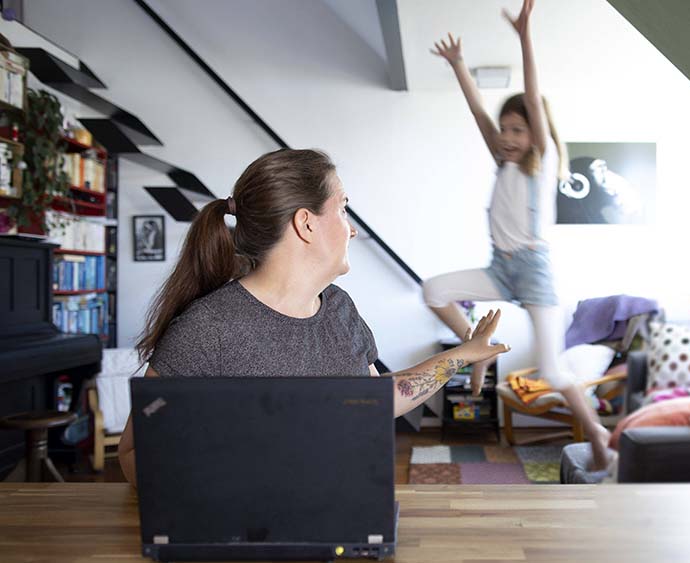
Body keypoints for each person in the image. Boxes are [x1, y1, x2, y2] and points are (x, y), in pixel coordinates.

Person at [117, 148, 510, 487]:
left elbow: (378, 398)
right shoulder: (208, 329)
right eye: (342, 209)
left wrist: (464, 354)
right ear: (306, 223)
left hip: (342, 515)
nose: (352, 230)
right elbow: (134, 455)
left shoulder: (338, 308)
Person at [423, 0, 612, 469]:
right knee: (434, 289)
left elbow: (531, 96)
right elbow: (477, 115)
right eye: (504, 129)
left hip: (534, 272)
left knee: (551, 369)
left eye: (517, 130)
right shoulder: (502, 161)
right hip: (499, 268)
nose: (507, 137)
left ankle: (597, 434)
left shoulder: (541, 166)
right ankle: (477, 348)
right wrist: (459, 66)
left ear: (535, 133)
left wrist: (524, 36)